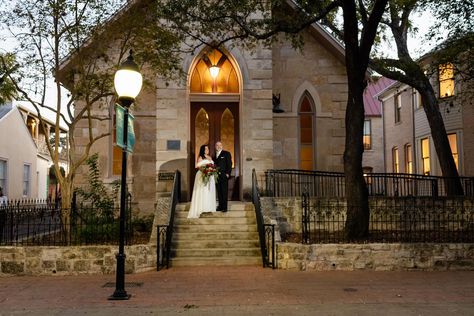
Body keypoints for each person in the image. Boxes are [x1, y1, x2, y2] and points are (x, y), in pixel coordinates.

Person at [187, 144, 217, 219]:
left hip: (210, 176)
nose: (207, 150)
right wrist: (206, 171)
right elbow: (198, 166)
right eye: (206, 149)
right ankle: (202, 207)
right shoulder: (200, 157)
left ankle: (208, 207)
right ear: (203, 150)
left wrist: (212, 170)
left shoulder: (209, 157)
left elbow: (212, 165)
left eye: (208, 149)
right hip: (202, 175)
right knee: (203, 190)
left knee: (209, 191)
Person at [214, 141, 232, 212]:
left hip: (224, 175)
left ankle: (224, 207)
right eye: (217, 145)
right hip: (216, 176)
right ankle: (220, 206)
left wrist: (228, 173)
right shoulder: (214, 156)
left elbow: (229, 164)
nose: (219, 146)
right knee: (219, 192)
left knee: (224, 192)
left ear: (222, 146)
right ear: (215, 147)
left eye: (220, 145)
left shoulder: (226, 153)